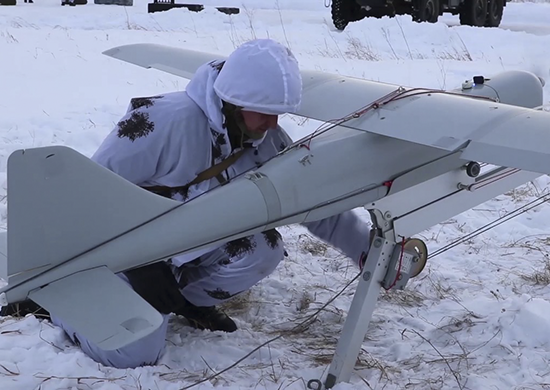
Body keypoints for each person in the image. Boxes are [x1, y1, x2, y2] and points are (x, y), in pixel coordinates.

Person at [1, 39, 373, 369]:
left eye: (280, 112)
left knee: (265, 248)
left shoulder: (264, 137)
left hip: (179, 254)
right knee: (136, 354)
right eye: (264, 111)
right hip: (110, 254)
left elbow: (313, 201)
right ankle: (57, 304)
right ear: (234, 99)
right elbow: (88, 197)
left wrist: (367, 252)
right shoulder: (162, 122)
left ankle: (182, 300)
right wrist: (144, 267)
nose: (273, 123)